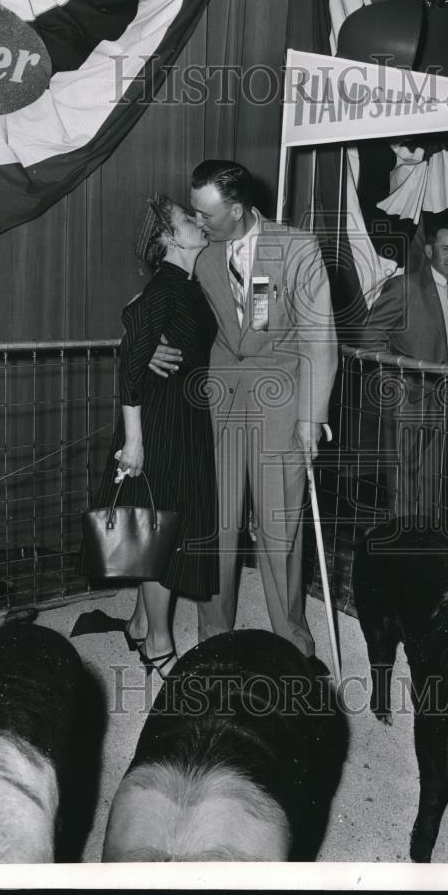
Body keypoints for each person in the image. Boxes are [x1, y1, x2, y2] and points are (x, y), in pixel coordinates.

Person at [151, 161, 337, 658]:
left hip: (282, 399)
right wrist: (147, 342)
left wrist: (311, 416)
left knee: (280, 525)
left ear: (237, 209)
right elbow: (162, 296)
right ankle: (213, 638)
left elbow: (319, 336)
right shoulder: (200, 248)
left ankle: (292, 640)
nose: (197, 221)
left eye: (206, 213)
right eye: (194, 212)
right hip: (219, 401)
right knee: (217, 523)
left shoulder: (297, 248)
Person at [82, 194, 217, 679]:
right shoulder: (165, 286)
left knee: (158, 524)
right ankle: (159, 644)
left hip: (183, 420)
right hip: (158, 423)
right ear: (168, 237)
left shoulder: (186, 283)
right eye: (188, 220)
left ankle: (141, 623)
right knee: (158, 530)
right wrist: (134, 443)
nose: (198, 223)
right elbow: (132, 370)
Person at [359, 225, 448, 522]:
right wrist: (397, 380)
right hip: (409, 397)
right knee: (403, 474)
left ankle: (427, 539)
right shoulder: (404, 287)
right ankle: (402, 542)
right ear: (430, 250)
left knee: (435, 475)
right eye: (446, 248)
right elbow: (371, 337)